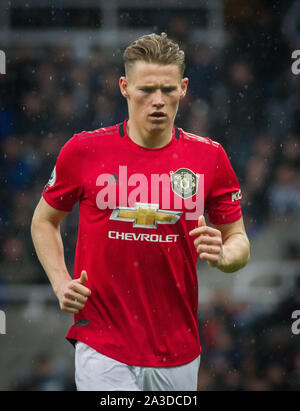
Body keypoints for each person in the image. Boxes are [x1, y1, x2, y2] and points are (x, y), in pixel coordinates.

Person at [31, 32, 250, 391]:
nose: (158, 101)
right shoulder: (84, 150)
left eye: (167, 89)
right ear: (124, 87)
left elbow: (238, 239)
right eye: (147, 90)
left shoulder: (210, 158)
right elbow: (43, 220)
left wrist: (227, 256)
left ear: (183, 88)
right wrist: (60, 283)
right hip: (101, 341)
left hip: (177, 347)